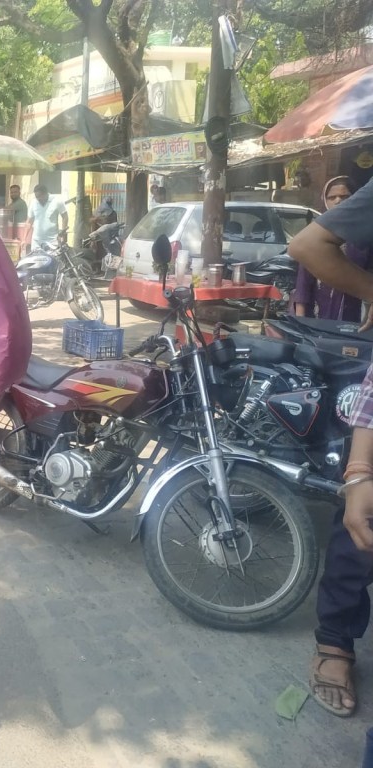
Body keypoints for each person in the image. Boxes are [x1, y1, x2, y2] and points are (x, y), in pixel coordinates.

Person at [287, 177, 373, 717]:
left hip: (355, 342)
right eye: (333, 198)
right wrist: (360, 468)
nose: (340, 205)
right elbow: (307, 260)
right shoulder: (340, 234)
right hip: (340, 342)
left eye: (345, 197)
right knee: (358, 527)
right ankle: (335, 642)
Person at [293, 176, 373, 322]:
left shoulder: (364, 236)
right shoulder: (314, 237)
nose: (338, 201)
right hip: (319, 313)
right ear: (325, 200)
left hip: (356, 314)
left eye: (345, 196)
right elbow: (303, 283)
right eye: (332, 197)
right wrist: (300, 320)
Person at [22, 183, 68, 252]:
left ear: (46, 193)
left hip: (52, 241)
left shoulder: (57, 201)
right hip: (36, 242)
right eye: (36, 197)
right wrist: (24, 239)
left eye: (40, 196)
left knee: (53, 258)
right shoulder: (33, 203)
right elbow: (29, 222)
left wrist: (63, 233)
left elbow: (65, 217)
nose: (38, 199)